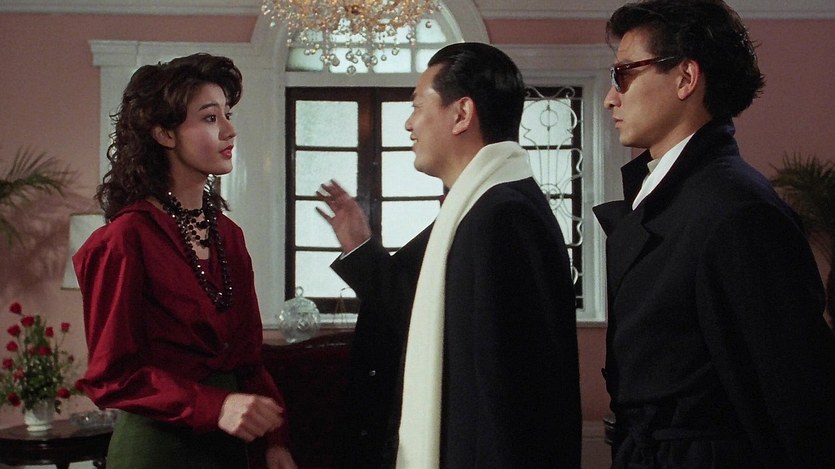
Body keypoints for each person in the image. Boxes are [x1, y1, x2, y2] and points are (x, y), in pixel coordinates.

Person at [593, 1, 835, 467]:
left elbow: (799, 398)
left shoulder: (738, 210)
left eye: (624, 74)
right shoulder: (680, 196)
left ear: (686, 78)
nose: (610, 98)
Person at [317, 42, 581, 468]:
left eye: (418, 106)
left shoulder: (501, 216)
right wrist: (361, 248)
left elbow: (508, 395)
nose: (409, 123)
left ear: (461, 114)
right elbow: (419, 309)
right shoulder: (483, 208)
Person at [73, 53, 297, 469]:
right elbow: (112, 376)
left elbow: (248, 360)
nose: (230, 130)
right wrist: (216, 406)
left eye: (228, 115)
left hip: (229, 449)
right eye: (210, 118)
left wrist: (274, 441)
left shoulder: (228, 235)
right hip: (157, 450)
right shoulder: (125, 238)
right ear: (164, 134)